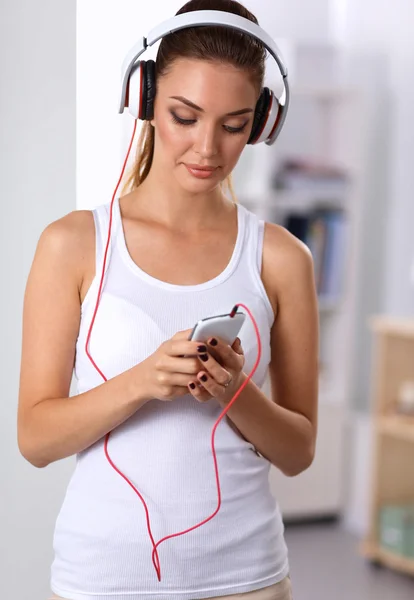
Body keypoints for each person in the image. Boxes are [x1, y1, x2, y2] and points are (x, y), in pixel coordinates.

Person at [17, 1, 319, 599]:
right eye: (186, 116)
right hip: (102, 581)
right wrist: (142, 380)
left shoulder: (282, 258)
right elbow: (35, 440)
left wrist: (236, 393)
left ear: (260, 123)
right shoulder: (73, 245)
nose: (207, 148)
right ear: (147, 96)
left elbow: (298, 451)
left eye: (233, 125)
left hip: (248, 579)